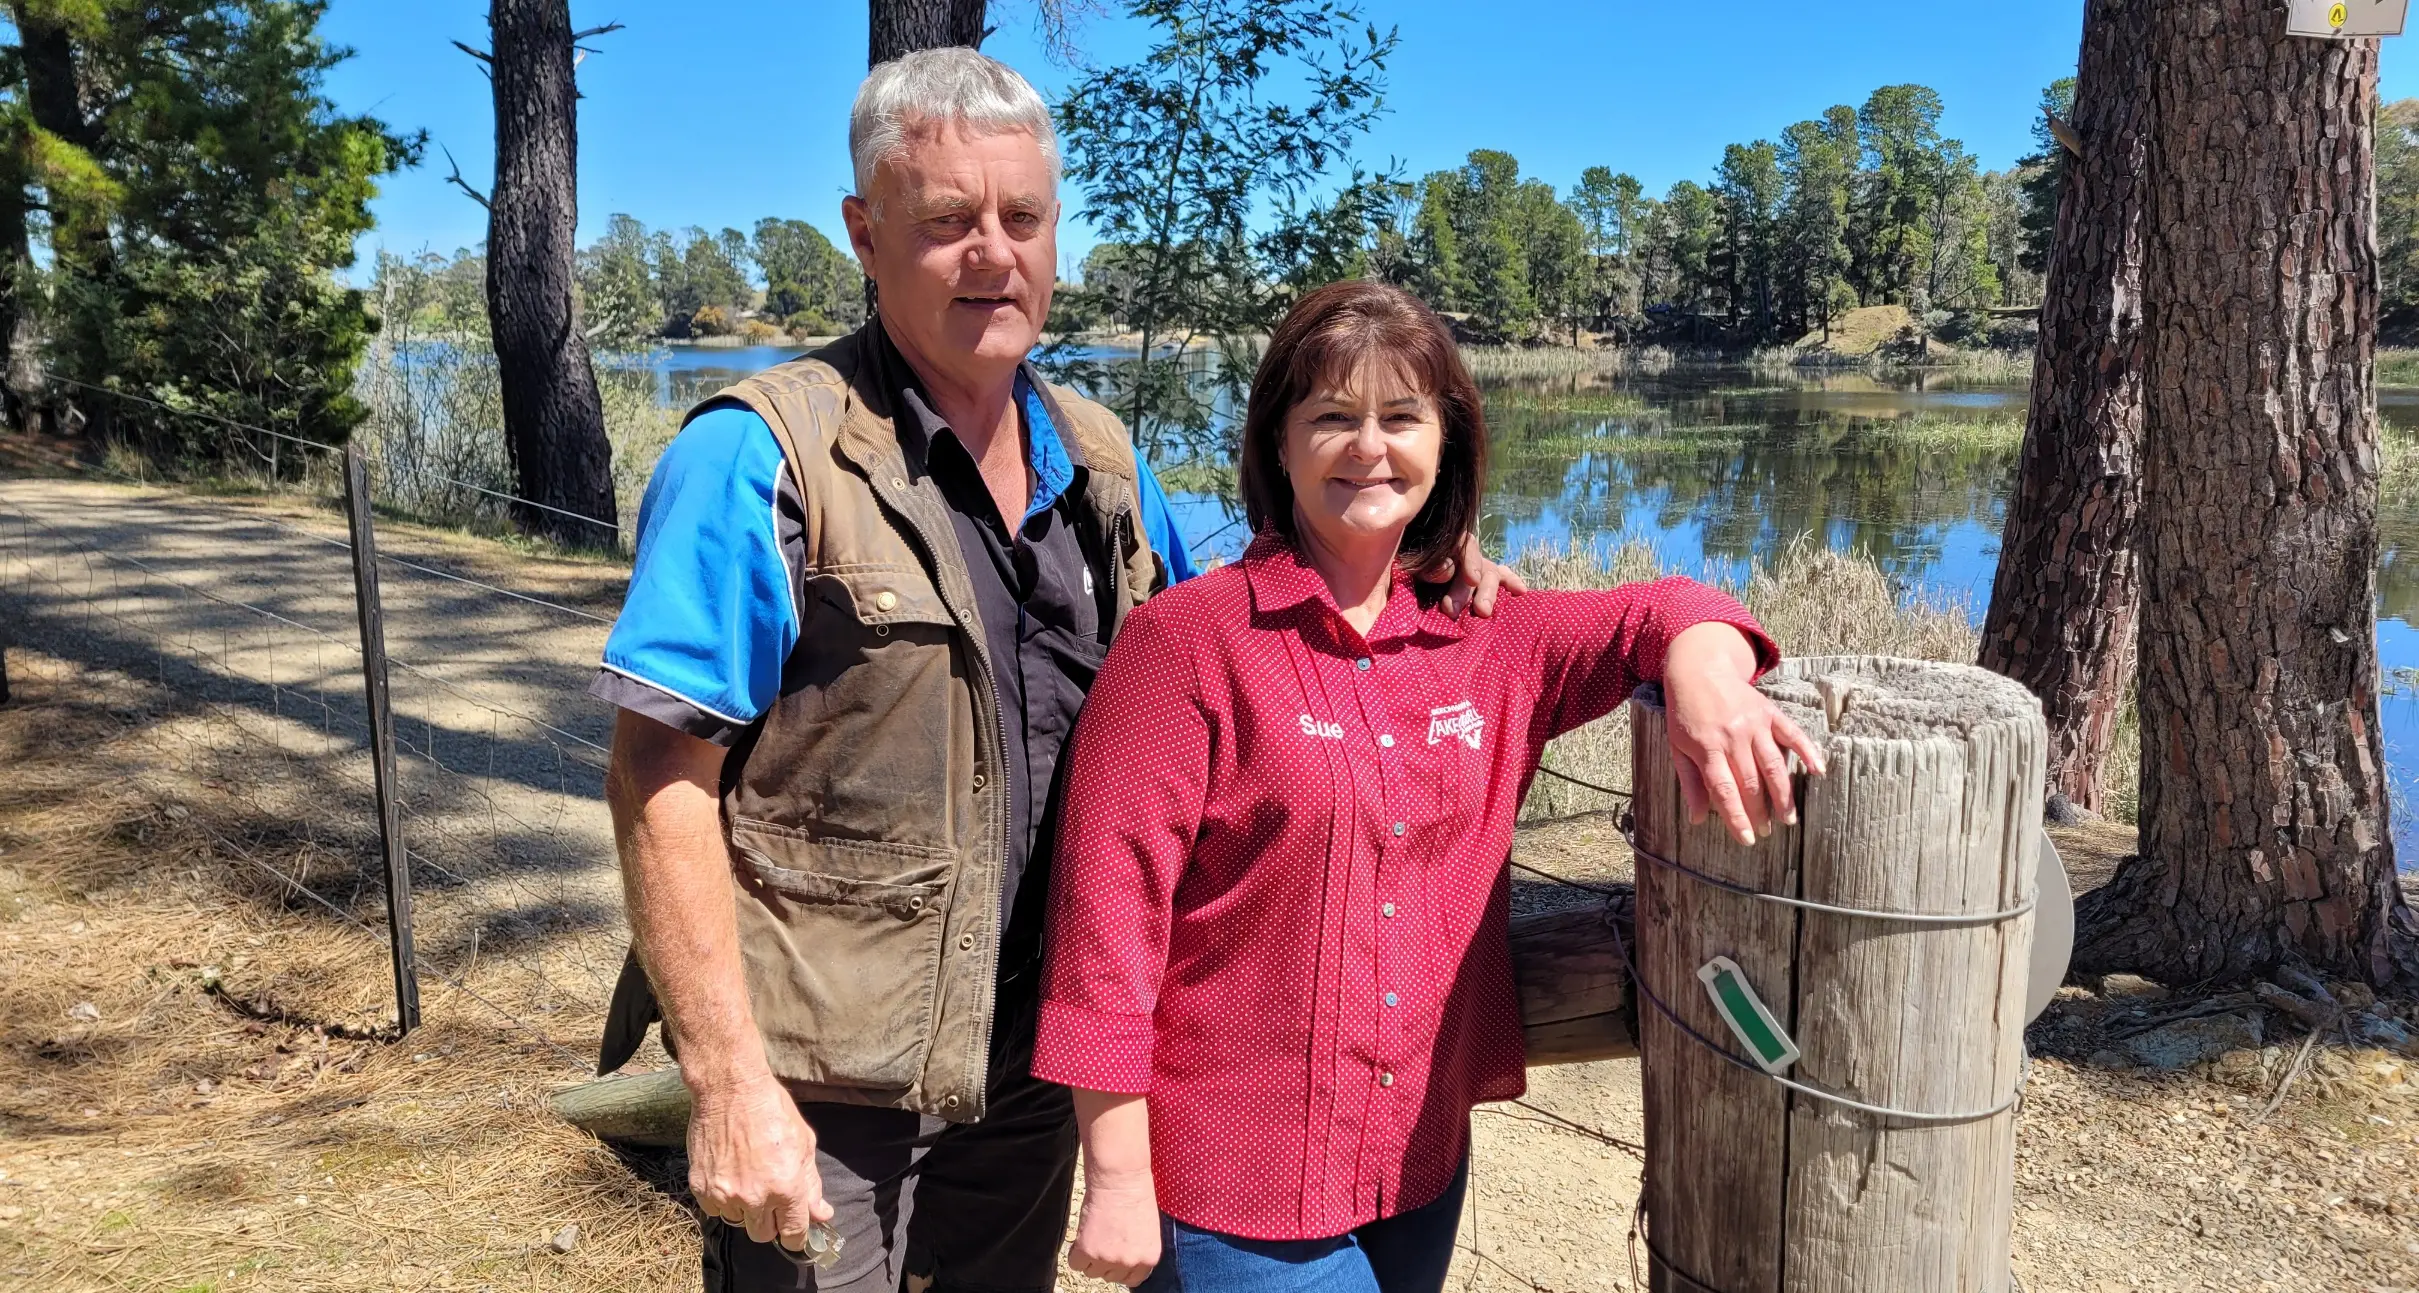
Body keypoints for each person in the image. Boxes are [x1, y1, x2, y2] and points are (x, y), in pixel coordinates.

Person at [590, 52, 1517, 1293]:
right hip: (827, 1088)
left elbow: (1264, 587)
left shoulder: (1101, 462)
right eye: (946, 221)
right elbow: (661, 773)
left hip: (1026, 1080)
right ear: (865, 235)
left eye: (1020, 217)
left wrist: (1430, 544)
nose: (992, 253)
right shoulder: (763, 459)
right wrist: (727, 1081)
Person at [1032, 280, 1824, 1292]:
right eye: (1331, 418)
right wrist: (1114, 1173)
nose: (1370, 446)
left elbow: (1665, 606)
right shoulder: (1185, 645)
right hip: (1235, 1194)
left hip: (1416, 1168)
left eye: (1401, 417)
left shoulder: (1491, 637)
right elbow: (1106, 929)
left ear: (1443, 440)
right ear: (1279, 443)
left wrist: (1708, 674)